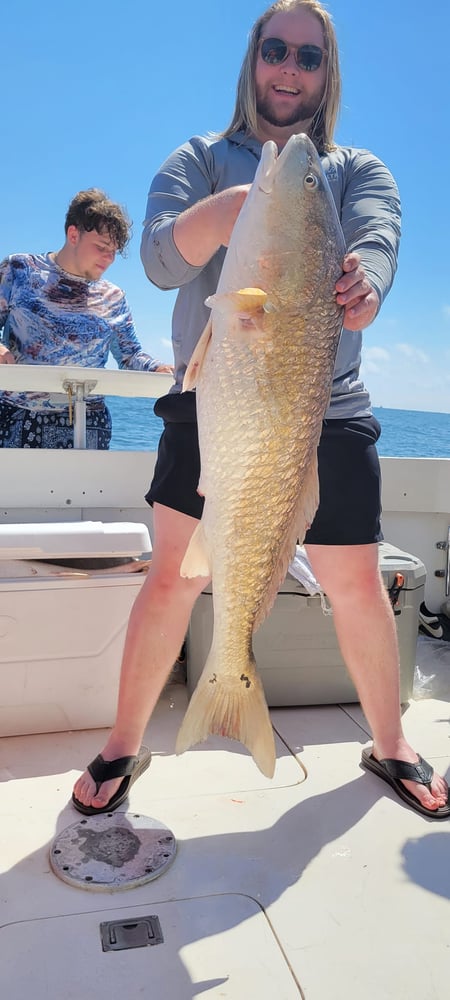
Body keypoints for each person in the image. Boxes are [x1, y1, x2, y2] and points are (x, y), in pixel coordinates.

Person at [73, 0, 450, 818]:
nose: (289, 68)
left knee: (356, 581)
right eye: (275, 50)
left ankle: (391, 742)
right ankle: (121, 745)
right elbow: (160, 261)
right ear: (253, 59)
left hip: (327, 403)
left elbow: (377, 238)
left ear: (327, 73)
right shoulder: (198, 159)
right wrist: (221, 215)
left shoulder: (354, 170)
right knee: (173, 575)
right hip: (210, 400)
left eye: (307, 57)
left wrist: (367, 284)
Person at [0, 188, 173, 449]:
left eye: (114, 251)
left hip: (90, 418)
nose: (109, 258)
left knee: (86, 491)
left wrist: (159, 369)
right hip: (18, 415)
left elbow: (129, 355)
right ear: (73, 235)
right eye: (102, 247)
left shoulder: (113, 297)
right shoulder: (19, 270)